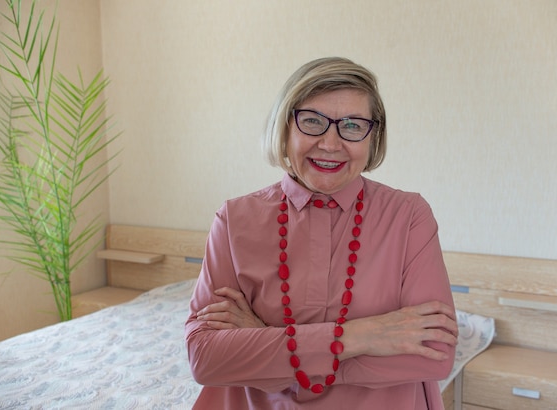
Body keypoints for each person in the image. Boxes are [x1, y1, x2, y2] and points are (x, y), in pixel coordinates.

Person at [185, 57, 458, 409]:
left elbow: (434, 354)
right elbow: (205, 357)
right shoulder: (233, 219)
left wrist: (264, 343)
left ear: (373, 138)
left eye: (353, 125)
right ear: (286, 128)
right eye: (312, 122)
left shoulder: (408, 216)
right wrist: (361, 336)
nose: (330, 143)